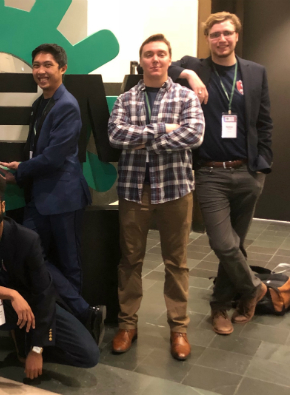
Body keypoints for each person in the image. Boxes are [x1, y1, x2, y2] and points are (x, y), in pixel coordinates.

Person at [168, 12, 273, 336]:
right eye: (214, 34)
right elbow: (169, 66)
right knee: (222, 242)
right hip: (210, 173)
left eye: (227, 33)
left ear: (236, 36)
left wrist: (263, 163)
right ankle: (255, 288)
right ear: (208, 38)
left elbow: (264, 122)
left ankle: (220, 306)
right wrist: (190, 75)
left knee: (236, 245)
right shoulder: (197, 67)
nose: (221, 39)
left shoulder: (255, 73)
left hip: (248, 172)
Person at [0, 170, 99, 395]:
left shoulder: (27, 239)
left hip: (33, 305)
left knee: (88, 355)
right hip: (0, 304)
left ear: (2, 205)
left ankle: (28, 340)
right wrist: (11, 295)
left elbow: (44, 293)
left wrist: (37, 349)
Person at [0, 43, 105, 345]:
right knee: (33, 258)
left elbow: (55, 157)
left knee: (70, 263)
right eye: (36, 65)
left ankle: (75, 323)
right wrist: (19, 174)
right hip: (38, 197)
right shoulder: (41, 104)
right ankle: (83, 313)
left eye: (47, 65)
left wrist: (20, 171)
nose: (41, 71)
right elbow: (37, 150)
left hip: (64, 198)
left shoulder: (67, 105)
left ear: (62, 68)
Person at [108, 34, 205, 361]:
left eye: (161, 54)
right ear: (142, 59)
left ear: (168, 59)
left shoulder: (186, 96)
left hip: (175, 190)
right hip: (134, 191)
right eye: (149, 54)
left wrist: (144, 139)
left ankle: (178, 328)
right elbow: (116, 135)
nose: (155, 59)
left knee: (176, 262)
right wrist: (163, 130)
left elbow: (194, 134)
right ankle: (127, 324)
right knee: (130, 259)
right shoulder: (126, 99)